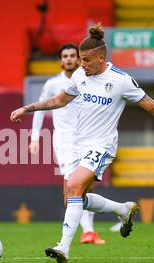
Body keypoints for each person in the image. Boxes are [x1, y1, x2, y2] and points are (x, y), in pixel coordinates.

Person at [11, 25, 154, 263]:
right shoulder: (80, 75)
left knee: (75, 186)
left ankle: (64, 247)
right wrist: (27, 109)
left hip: (102, 146)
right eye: (81, 59)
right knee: (73, 197)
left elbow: (153, 107)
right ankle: (123, 209)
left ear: (101, 58)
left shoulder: (121, 80)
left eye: (87, 60)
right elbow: (59, 100)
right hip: (77, 145)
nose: (82, 64)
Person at [29, 44, 105, 245]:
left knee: (88, 183)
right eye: (66, 56)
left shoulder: (87, 80)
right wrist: (35, 138)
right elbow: (41, 109)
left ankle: (88, 231)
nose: (69, 59)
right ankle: (83, 231)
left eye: (73, 55)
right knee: (71, 185)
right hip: (63, 140)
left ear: (79, 59)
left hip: (87, 137)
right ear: (61, 60)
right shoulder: (53, 84)